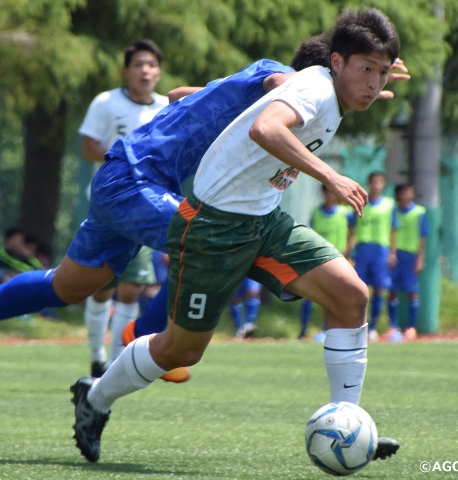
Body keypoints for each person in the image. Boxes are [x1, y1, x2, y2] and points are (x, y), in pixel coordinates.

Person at [0, 33, 409, 384]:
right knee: (211, 237)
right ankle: (142, 335)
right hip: (136, 181)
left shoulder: (248, 82)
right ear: (325, 70)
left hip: (124, 178)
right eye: (356, 69)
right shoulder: (285, 81)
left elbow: (178, 94)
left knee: (66, 285)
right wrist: (341, 91)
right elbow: (287, 92)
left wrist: (361, 87)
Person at [69, 8, 402, 465]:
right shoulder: (315, 87)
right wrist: (332, 176)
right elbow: (265, 128)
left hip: (264, 222)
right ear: (337, 63)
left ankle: (348, 423)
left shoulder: (336, 94)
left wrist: (373, 84)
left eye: (381, 72)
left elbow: (199, 97)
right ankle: (95, 397)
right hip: (213, 227)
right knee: (180, 349)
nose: (373, 82)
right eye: (366, 69)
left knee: (350, 295)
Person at [78, 39, 169, 378]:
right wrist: (123, 161)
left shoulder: (165, 107)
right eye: (139, 65)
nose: (145, 71)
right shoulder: (106, 102)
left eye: (151, 65)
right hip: (108, 204)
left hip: (147, 205)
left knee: (131, 287)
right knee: (101, 286)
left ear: (158, 72)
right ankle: (96, 353)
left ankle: (117, 364)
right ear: (126, 70)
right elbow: (87, 146)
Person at [299, 185, 354, 341]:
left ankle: (329, 330)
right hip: (318, 261)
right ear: (323, 193)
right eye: (327, 192)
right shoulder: (316, 213)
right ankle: (303, 331)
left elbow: (352, 233)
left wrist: (348, 250)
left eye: (332, 192)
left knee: (334, 298)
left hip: (338, 261)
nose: (330, 195)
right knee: (308, 296)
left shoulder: (346, 213)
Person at [348, 171, 397, 341]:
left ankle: (373, 327)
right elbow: (352, 229)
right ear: (369, 184)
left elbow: (393, 230)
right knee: (359, 289)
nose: (376, 185)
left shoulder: (389, 205)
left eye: (379, 182)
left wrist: (392, 252)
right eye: (373, 182)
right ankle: (358, 326)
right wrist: (349, 249)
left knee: (379, 288)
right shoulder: (360, 203)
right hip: (362, 249)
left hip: (380, 250)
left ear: (383, 184)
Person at [386, 184, 428, 341]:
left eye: (408, 191)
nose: (406, 195)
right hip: (395, 255)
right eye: (403, 192)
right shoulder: (392, 211)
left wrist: (420, 258)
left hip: (411, 256)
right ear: (398, 194)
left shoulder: (419, 212)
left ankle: (411, 327)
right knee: (392, 291)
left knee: (412, 291)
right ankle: (393, 326)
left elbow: (423, 237)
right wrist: (391, 252)